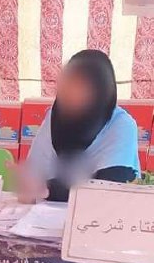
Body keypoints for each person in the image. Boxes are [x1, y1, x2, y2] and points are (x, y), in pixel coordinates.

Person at [16, 50, 140, 203]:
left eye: (79, 85)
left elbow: (109, 188)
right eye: (66, 82)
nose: (68, 91)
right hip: (50, 214)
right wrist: (28, 185)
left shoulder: (121, 126)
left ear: (101, 89)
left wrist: (48, 190)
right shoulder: (54, 118)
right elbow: (35, 175)